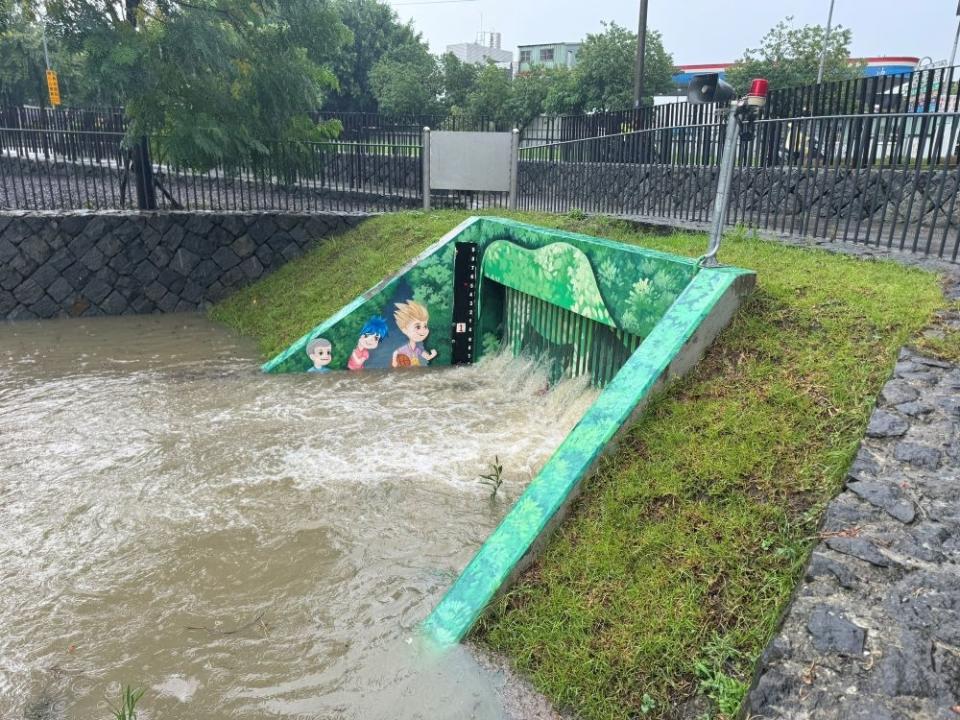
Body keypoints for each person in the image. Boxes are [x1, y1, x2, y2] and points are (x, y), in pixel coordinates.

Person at [391, 300, 438, 368]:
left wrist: (432, 355)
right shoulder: (405, 349)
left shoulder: (417, 349)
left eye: (425, 326)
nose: (423, 330)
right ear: (405, 330)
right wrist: (394, 361)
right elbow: (395, 352)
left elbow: (427, 357)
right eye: (418, 327)